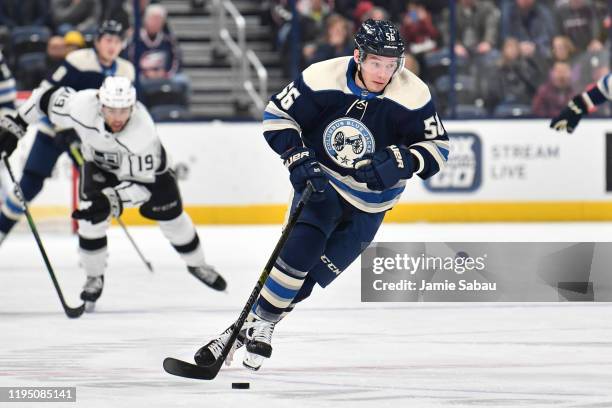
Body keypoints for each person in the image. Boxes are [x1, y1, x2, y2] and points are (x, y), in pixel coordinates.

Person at [192, 19, 449, 371]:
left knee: (309, 279)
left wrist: (403, 161)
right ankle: (261, 326)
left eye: (391, 65)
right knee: (297, 259)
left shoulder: (413, 93)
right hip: (323, 186)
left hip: (372, 206)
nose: (384, 73)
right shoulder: (321, 77)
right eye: (376, 63)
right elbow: (276, 115)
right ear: (358, 56)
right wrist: (297, 157)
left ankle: (238, 333)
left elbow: (437, 149)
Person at [0, 77, 227, 311]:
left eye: (124, 110)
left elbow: (143, 189)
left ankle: (198, 264)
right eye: (111, 110)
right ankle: (94, 277)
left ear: (133, 106)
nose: (118, 117)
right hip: (100, 167)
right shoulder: (82, 105)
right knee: (90, 221)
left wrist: (112, 201)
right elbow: (42, 98)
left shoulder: (142, 133)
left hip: (150, 178)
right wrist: (16, 124)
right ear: (100, 103)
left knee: (174, 222)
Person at [0, 20, 133, 246]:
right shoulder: (78, 61)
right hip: (52, 132)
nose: (112, 46)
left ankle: (92, 245)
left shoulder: (125, 71)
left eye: (117, 41)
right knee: (29, 185)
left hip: (87, 140)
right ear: (98, 41)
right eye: (108, 40)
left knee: (96, 191)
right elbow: (45, 91)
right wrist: (62, 126)